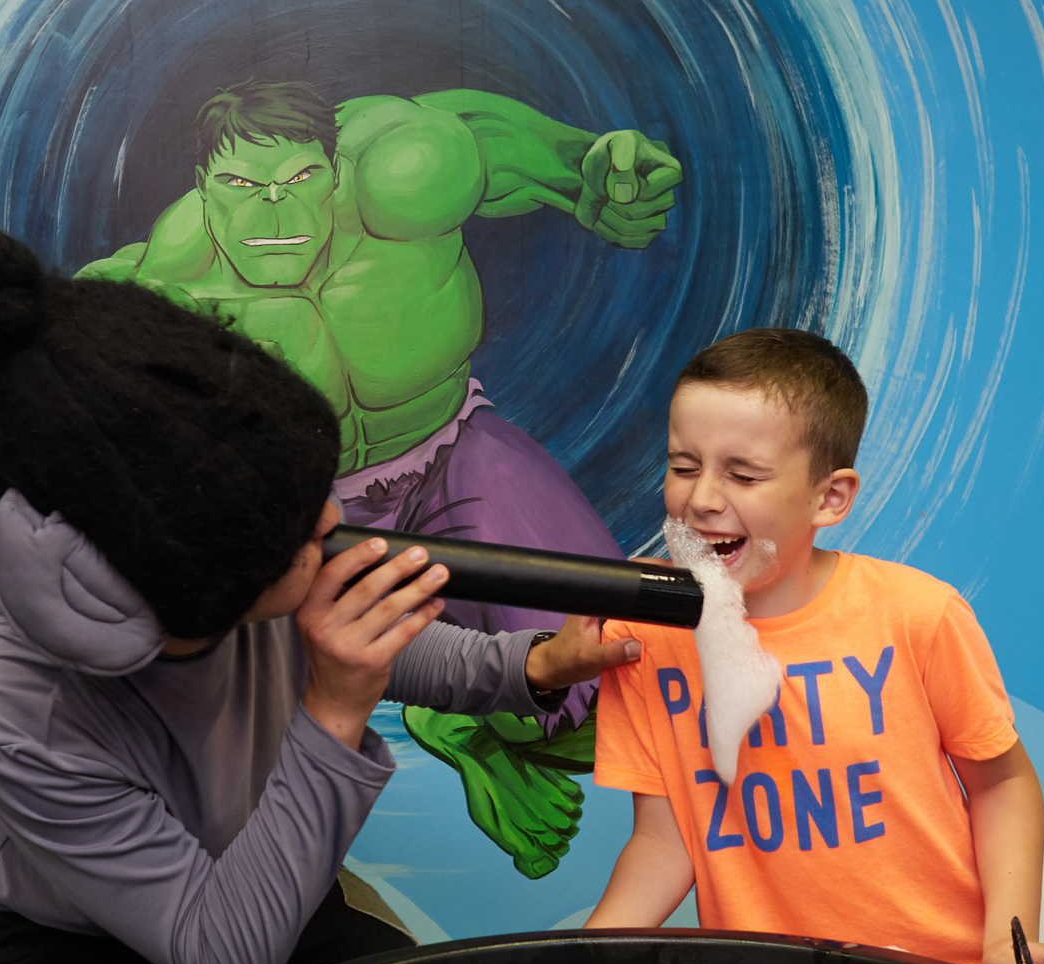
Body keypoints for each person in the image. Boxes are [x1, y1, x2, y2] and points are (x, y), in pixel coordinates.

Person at [0, 216, 636, 964]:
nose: (332, 529)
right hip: (59, 945)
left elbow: (375, 634)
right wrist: (336, 711)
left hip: (265, 875)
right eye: (304, 535)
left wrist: (536, 664)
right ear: (198, 596)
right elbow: (225, 960)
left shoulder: (246, 539)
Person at [78, 80, 684, 875]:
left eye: (300, 180)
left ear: (335, 172)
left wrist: (591, 172)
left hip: (456, 451)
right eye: (241, 186)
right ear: (204, 188)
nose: (274, 214)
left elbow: (515, 153)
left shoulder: (402, 174)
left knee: (629, 683)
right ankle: (458, 713)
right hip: (322, 521)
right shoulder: (164, 291)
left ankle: (474, 724)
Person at [585, 328, 1044, 964]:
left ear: (830, 499)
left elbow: (1002, 783)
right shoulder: (644, 632)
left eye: (743, 475)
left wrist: (1007, 940)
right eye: (684, 466)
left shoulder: (917, 613)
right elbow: (665, 842)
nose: (702, 500)